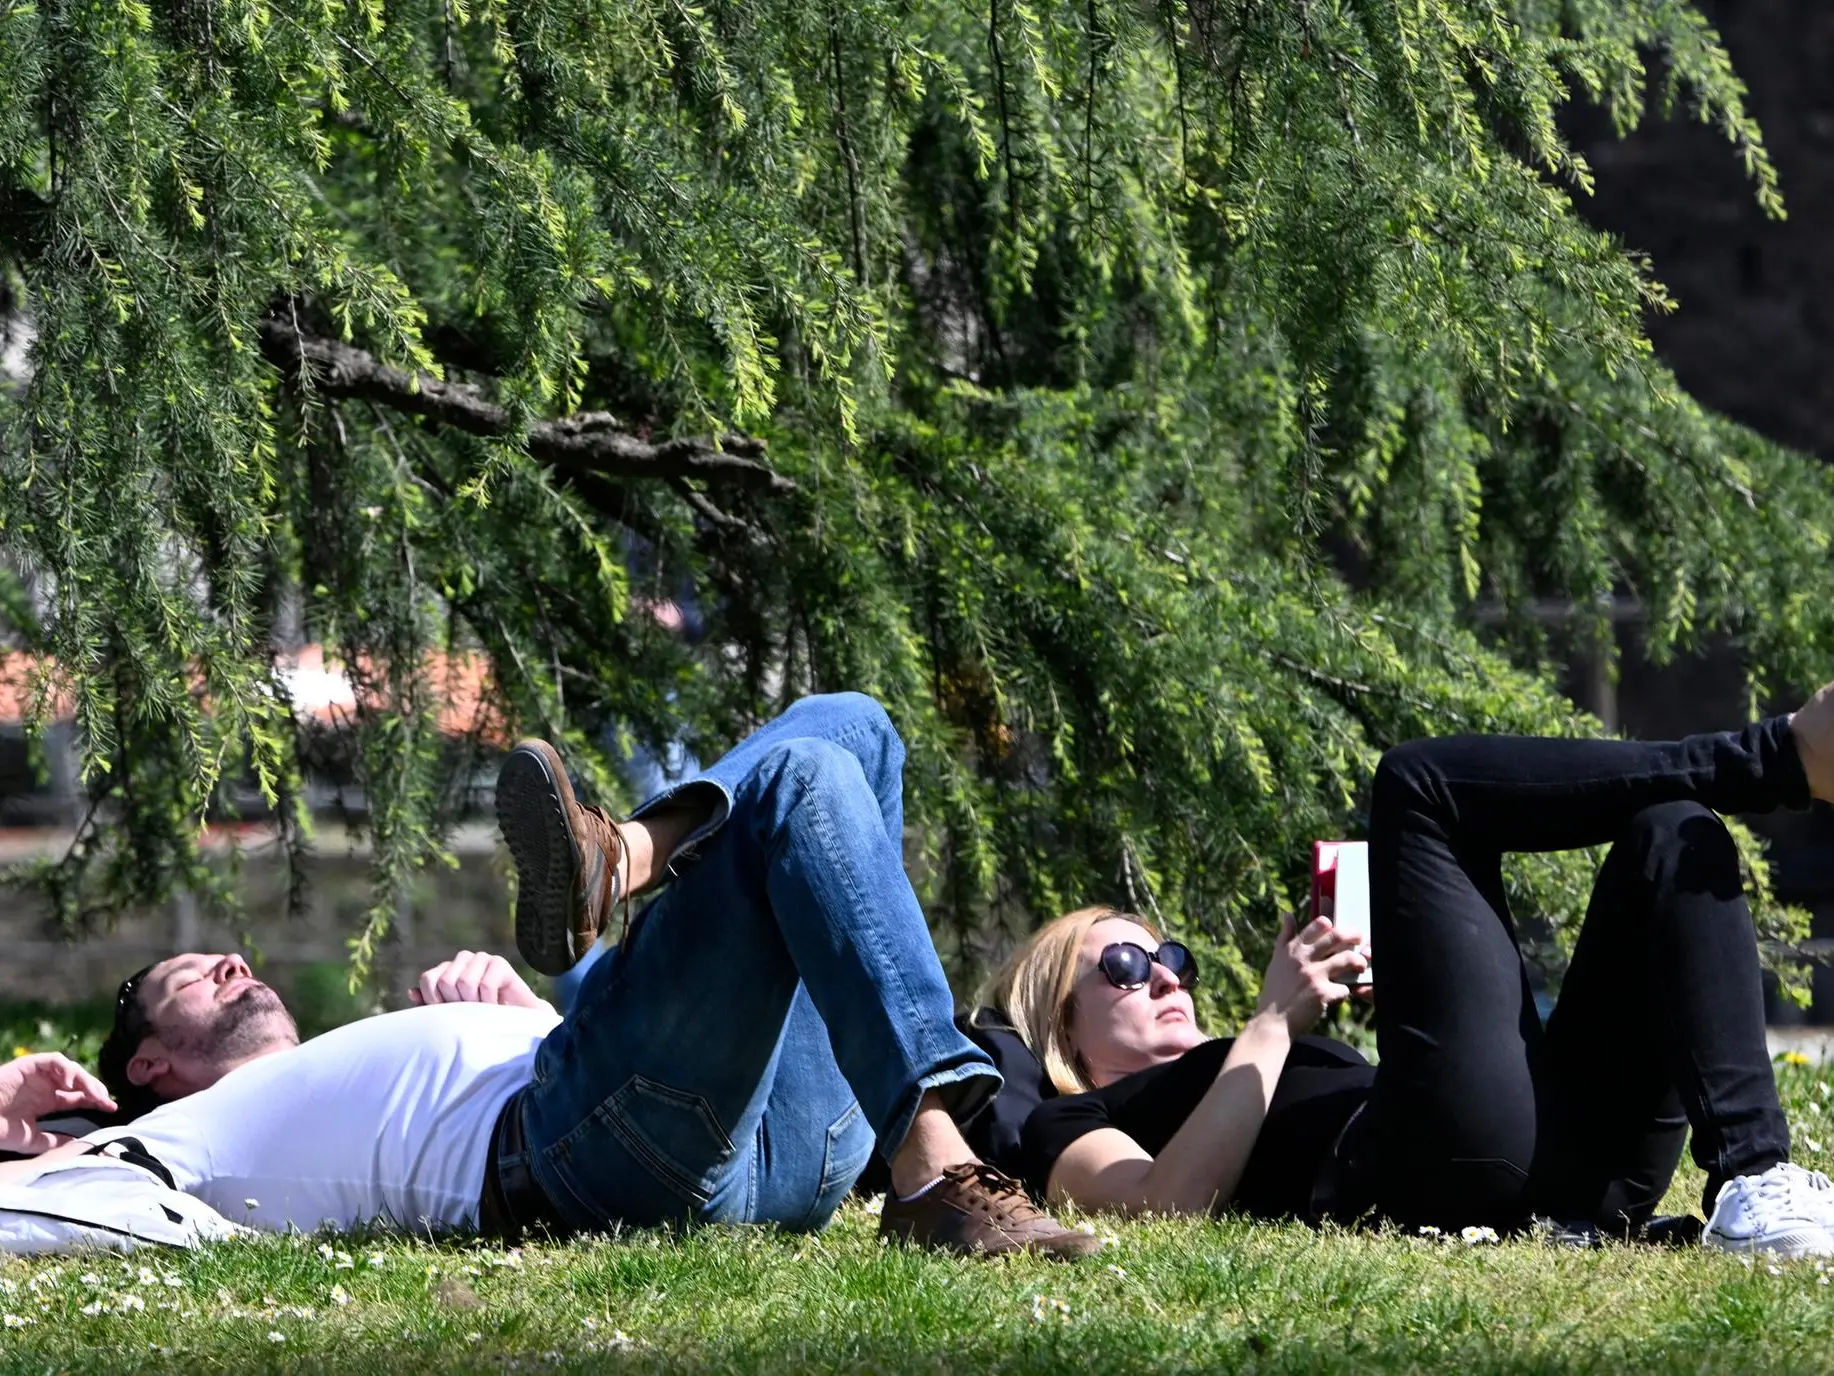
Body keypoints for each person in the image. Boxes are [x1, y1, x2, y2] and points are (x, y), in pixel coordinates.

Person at [18, 694, 1096, 1257]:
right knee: (806, 770)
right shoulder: (148, 1146)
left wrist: (532, 1011)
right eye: (187, 979)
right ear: (149, 1060)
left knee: (857, 725)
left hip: (771, 1154)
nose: (229, 959)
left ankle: (621, 856)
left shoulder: (357, 1054)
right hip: (588, 1154)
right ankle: (934, 1168)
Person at [989, 685, 1834, 1258]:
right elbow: (1165, 1206)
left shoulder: (1243, 1066)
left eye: (1173, 956)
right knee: (1418, 784)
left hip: (1576, 1170)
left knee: (1672, 832)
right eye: (1128, 963)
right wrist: (1272, 1024)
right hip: (1439, 1178)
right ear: (1061, 1023)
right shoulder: (1068, 1121)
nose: (1170, 976)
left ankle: (1756, 1180)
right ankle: (1779, 757)